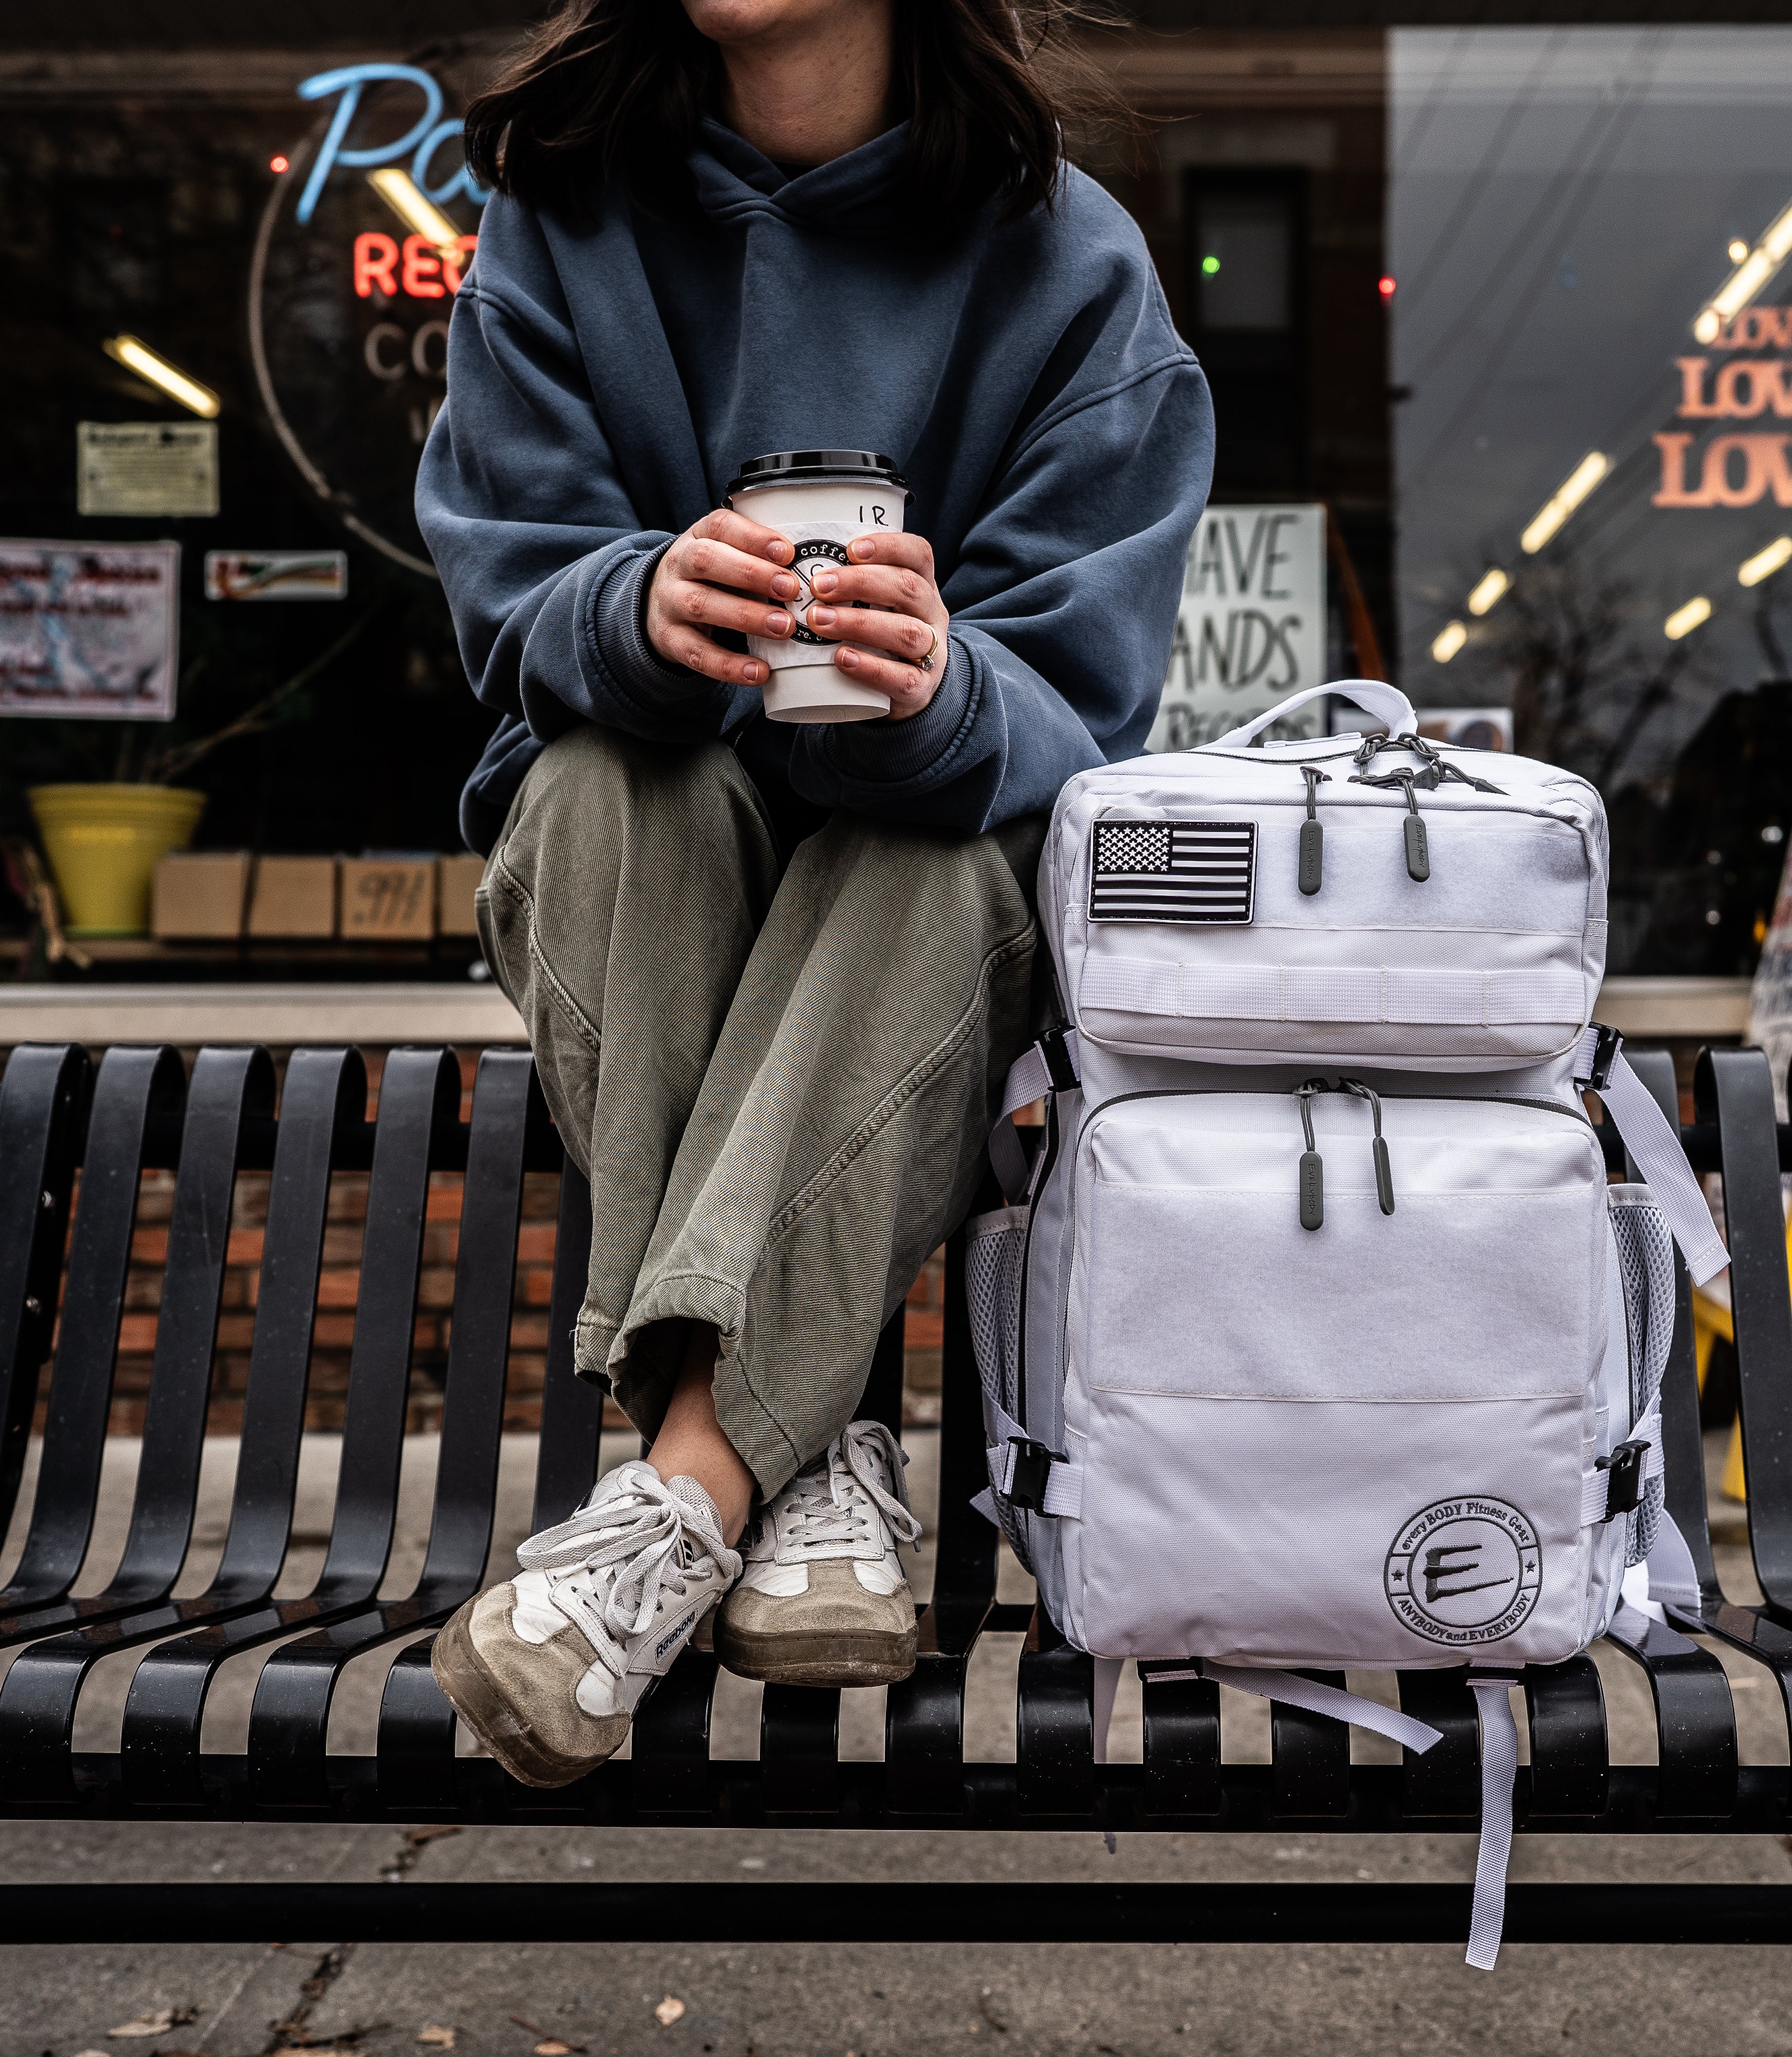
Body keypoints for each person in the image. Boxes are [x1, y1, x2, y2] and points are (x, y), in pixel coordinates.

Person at [416, 0, 1212, 1787]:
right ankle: (810, 1438)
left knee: (935, 855)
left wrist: (943, 685)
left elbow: (1084, 710)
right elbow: (508, 591)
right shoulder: (559, 226)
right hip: (631, 872)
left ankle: (690, 1479)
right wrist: (631, 609)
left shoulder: (1073, 265)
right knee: (615, 781)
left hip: (924, 911)